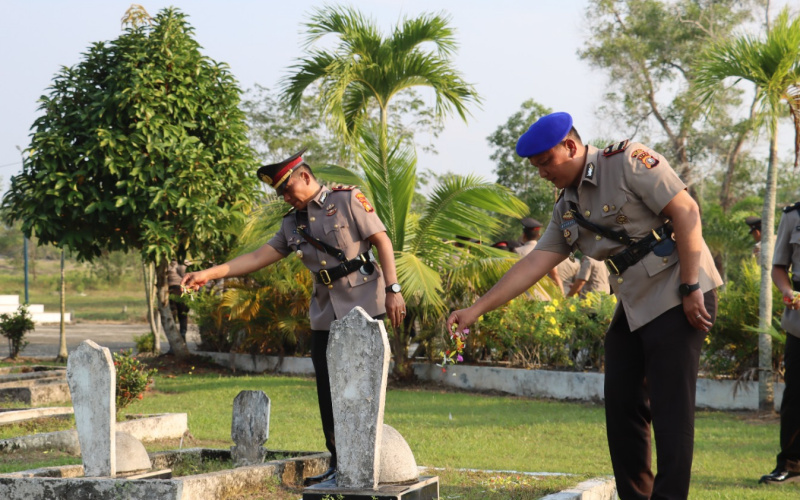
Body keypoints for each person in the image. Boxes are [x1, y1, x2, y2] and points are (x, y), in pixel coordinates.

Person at [446, 112, 722, 500]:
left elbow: (687, 211)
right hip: (635, 301)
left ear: (571, 147)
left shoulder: (627, 161)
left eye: (545, 162)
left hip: (678, 289)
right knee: (622, 404)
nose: (542, 172)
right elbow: (534, 263)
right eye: (536, 166)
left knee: (670, 408)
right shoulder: (567, 207)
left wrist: (691, 284)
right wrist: (475, 310)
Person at [181, 149, 405, 486]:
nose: (285, 196)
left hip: (364, 304)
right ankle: (338, 462)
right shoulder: (292, 223)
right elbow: (258, 256)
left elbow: (382, 241)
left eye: (287, 188)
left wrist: (394, 289)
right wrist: (208, 274)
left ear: (304, 176)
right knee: (328, 390)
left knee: (362, 386)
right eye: (280, 193)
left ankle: (367, 460)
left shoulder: (347, 200)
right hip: (325, 312)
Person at [761, 202, 800, 484]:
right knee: (796, 396)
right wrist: (787, 291)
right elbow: (778, 267)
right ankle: (791, 463)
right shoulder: (793, 216)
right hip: (799, 322)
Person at [167, 260, 189, 340]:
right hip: (178, 290)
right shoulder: (185, 262)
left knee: (179, 315)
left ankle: (181, 336)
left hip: (177, 290)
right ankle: (181, 337)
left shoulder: (168, 263)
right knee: (181, 315)